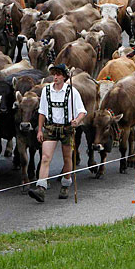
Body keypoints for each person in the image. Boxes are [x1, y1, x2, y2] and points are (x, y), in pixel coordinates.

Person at [28, 64, 86, 203]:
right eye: (54, 74)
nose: (55, 77)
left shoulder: (72, 92)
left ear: (64, 77)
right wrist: (40, 129)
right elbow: (42, 112)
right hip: (51, 128)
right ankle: (41, 188)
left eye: (58, 74)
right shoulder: (46, 90)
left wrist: (77, 121)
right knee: (45, 157)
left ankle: (66, 184)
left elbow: (82, 111)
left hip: (67, 129)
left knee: (67, 158)